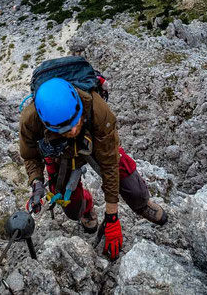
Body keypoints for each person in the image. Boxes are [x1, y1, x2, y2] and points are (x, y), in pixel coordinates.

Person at [18, 77, 168, 259]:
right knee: (72, 210)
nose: (73, 131)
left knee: (131, 184)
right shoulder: (30, 120)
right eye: (65, 129)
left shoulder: (98, 110)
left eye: (75, 122)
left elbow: (110, 164)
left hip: (94, 141)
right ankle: (86, 208)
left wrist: (112, 217)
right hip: (60, 154)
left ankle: (142, 204)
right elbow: (31, 156)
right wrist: (37, 182)